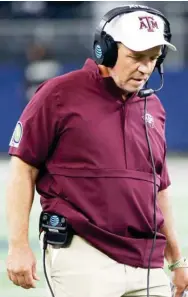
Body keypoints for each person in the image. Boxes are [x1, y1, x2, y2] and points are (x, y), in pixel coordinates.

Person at [6, 4, 188, 297]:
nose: (145, 68)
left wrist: (176, 258)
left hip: (148, 261)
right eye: (136, 57)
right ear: (107, 51)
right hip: (84, 254)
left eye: (153, 58)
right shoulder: (58, 94)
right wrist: (18, 246)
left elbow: (159, 188)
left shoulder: (153, 107)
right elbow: (23, 169)